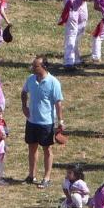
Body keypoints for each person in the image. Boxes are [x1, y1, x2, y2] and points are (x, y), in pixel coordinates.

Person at [20, 55, 64, 188]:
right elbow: (24, 92)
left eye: (35, 66)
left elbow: (58, 103)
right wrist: (24, 106)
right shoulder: (31, 79)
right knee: (32, 148)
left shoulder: (53, 82)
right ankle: (31, 175)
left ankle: (47, 177)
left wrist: (60, 121)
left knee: (47, 149)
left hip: (46, 122)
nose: (33, 68)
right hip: (32, 120)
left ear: (43, 67)